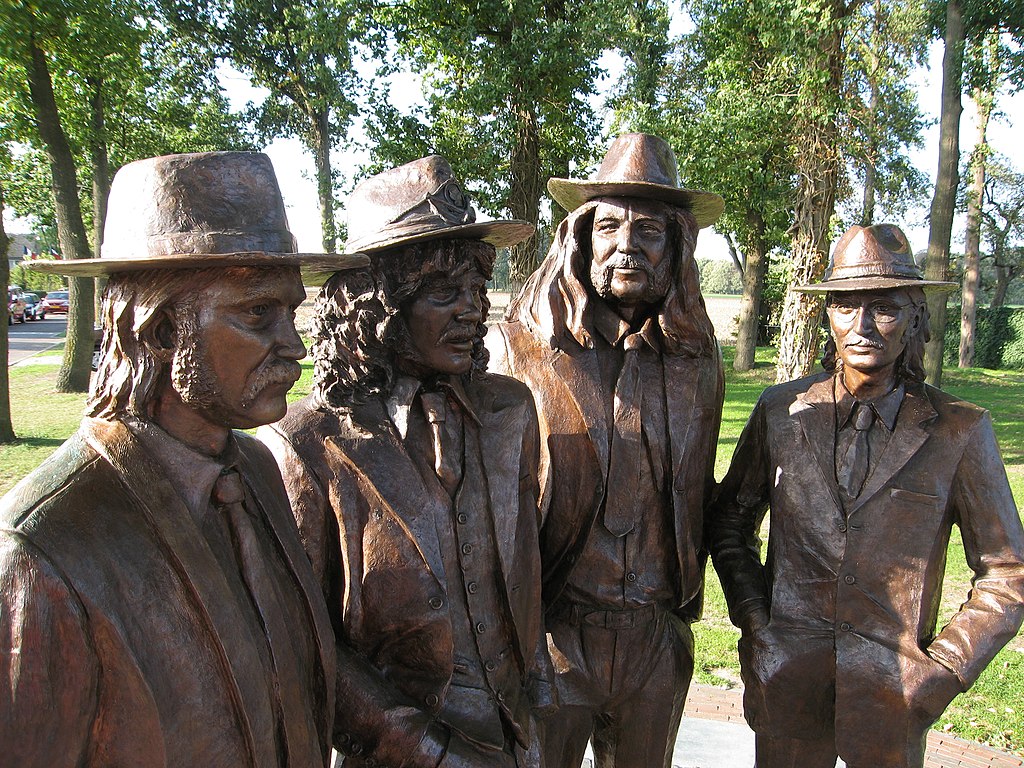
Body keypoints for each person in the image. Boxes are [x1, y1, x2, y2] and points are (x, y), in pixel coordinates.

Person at [0, 151, 363, 767]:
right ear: (163, 331)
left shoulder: (259, 471)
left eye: (291, 311)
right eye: (257, 314)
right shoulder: (46, 548)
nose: (295, 344)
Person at [259, 155, 555, 768]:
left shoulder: (512, 411)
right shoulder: (311, 443)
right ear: (379, 305)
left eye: (476, 289)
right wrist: (422, 749)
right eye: (444, 293)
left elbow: (523, 566)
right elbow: (304, 639)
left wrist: (536, 697)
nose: (473, 310)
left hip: (518, 732)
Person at [708, 223, 1024, 768]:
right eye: (845, 307)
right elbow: (729, 521)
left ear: (915, 316)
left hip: (895, 693)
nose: (862, 327)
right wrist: (756, 619)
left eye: (885, 309)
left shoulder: (960, 430)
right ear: (826, 315)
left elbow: (1008, 570)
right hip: (786, 678)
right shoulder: (781, 412)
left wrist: (944, 669)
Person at [486, 133, 726, 768]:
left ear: (677, 248)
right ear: (579, 240)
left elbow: (702, 492)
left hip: (655, 636)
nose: (626, 246)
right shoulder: (515, 352)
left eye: (649, 231)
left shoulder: (698, 363)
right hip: (552, 634)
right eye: (609, 227)